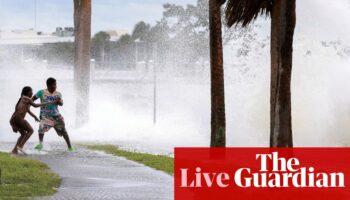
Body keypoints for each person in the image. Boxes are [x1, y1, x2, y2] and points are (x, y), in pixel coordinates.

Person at [32, 77, 73, 151]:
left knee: (64, 131)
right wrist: (30, 104)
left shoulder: (58, 94)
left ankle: (70, 147)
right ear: (49, 85)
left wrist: (59, 101)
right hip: (45, 116)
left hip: (56, 116)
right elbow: (32, 99)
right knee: (41, 130)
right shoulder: (41, 92)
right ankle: (40, 144)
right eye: (54, 84)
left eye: (55, 84)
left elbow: (61, 103)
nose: (55, 86)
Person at [10, 86, 50, 154]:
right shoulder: (27, 98)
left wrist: (34, 117)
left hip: (13, 119)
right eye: (31, 91)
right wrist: (46, 103)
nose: (32, 93)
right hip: (19, 118)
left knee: (23, 134)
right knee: (31, 131)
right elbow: (35, 105)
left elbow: (28, 110)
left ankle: (14, 150)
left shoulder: (22, 98)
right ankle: (20, 146)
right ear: (28, 92)